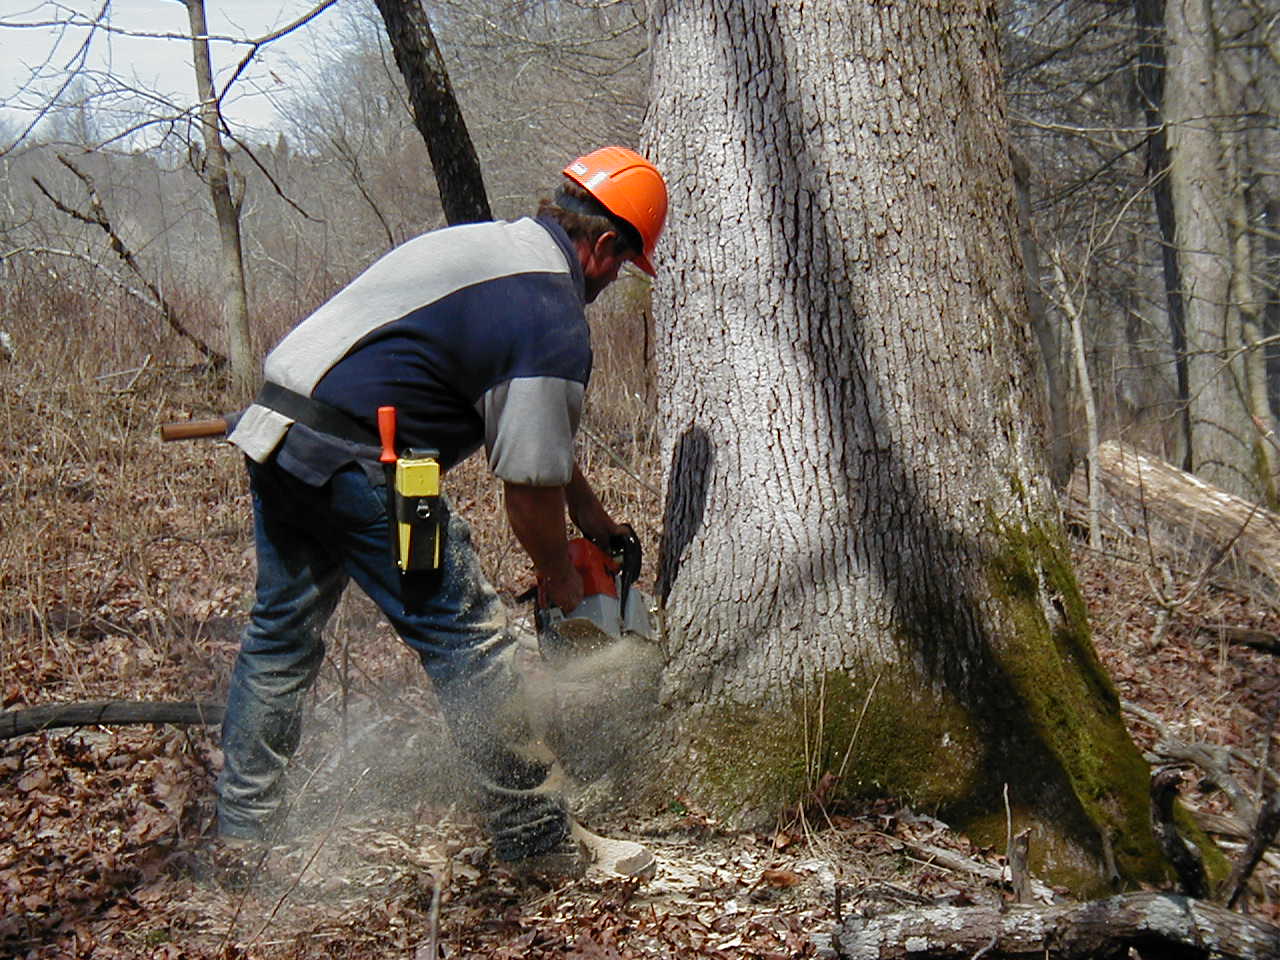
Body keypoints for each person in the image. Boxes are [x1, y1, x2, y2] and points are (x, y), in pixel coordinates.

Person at [216, 146, 668, 879]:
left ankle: (243, 826)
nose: (612, 283)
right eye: (620, 268)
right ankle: (537, 843)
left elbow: (535, 433)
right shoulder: (550, 310)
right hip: (364, 458)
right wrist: (557, 575)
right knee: (474, 647)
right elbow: (525, 482)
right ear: (606, 245)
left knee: (279, 635)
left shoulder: (491, 251)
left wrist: (591, 517)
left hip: (278, 434)